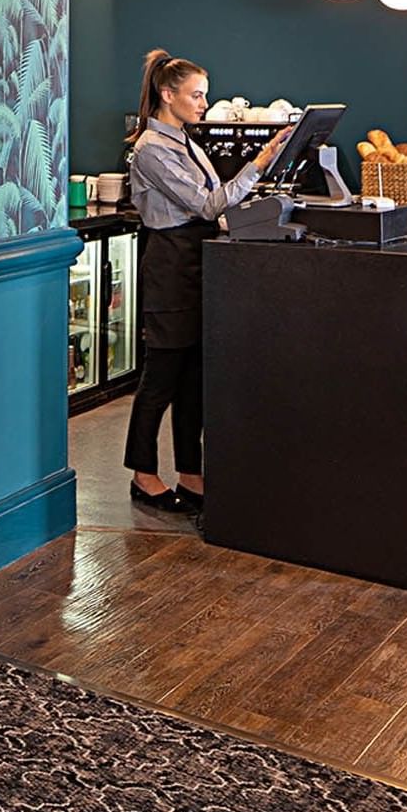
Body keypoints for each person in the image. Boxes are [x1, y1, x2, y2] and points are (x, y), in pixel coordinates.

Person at [123, 49, 292, 514]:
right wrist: (259, 163)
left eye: (205, 95)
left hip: (198, 264)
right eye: (196, 95)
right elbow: (208, 205)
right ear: (167, 94)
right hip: (170, 267)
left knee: (194, 379)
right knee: (160, 379)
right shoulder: (151, 149)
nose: (203, 103)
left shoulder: (186, 142)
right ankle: (142, 475)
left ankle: (191, 475)